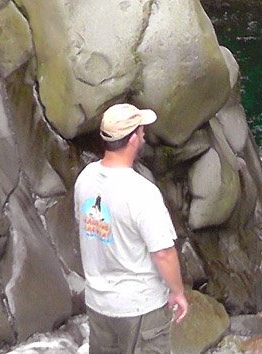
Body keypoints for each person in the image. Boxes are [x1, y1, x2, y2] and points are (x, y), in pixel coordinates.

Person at [75, 103, 189, 354]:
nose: (144, 135)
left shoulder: (85, 179)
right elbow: (163, 253)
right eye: (141, 130)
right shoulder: (142, 192)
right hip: (141, 307)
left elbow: (86, 227)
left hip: (98, 305)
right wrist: (178, 292)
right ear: (133, 139)